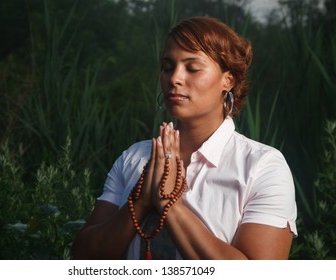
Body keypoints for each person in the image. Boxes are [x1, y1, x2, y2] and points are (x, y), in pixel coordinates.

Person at [72, 16, 297, 260]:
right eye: (167, 67)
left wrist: (170, 204)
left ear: (228, 80)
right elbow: (84, 258)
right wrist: (140, 202)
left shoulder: (262, 167)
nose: (174, 78)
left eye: (192, 68)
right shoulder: (133, 158)